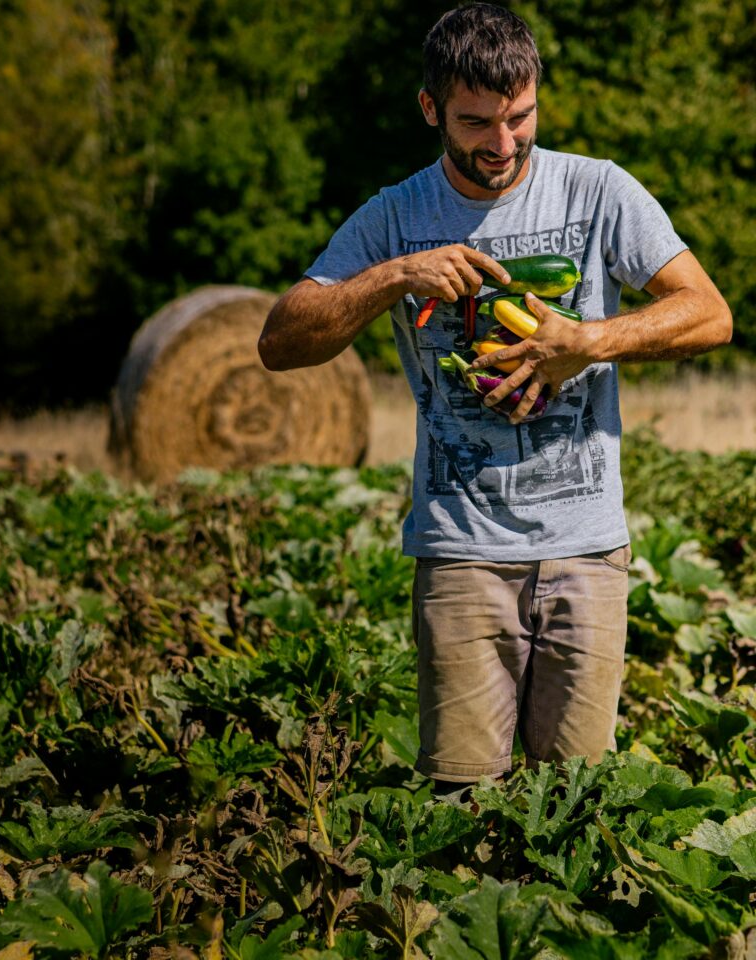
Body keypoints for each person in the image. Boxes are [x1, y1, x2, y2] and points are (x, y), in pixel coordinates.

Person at [258, 4, 731, 793]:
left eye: (521, 117)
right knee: (460, 799)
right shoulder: (396, 215)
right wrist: (393, 276)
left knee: (577, 806)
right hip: (460, 554)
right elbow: (279, 342)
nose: (504, 146)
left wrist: (589, 342)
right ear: (430, 109)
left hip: (588, 551)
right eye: (477, 123)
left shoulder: (598, 190)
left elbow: (710, 313)